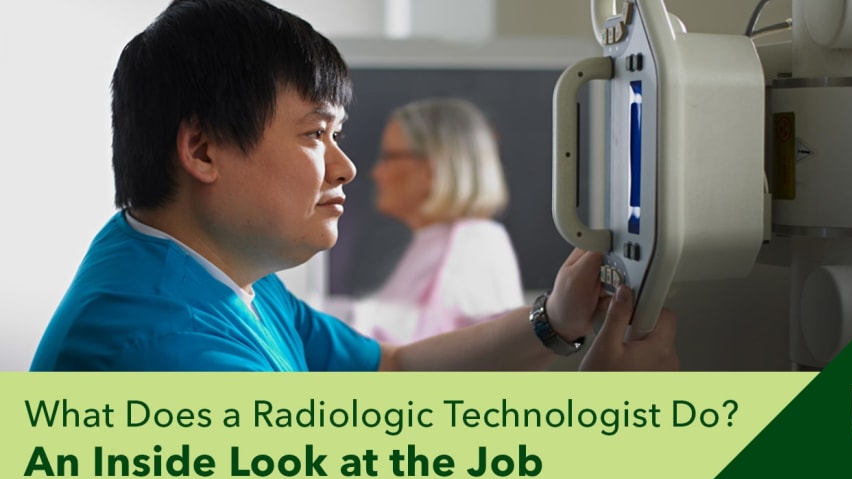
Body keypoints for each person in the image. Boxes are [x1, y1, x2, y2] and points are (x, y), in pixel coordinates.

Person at [29, 0, 678, 372]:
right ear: (202, 149)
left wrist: (552, 322)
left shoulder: (211, 271)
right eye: (314, 135)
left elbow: (388, 374)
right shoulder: (168, 355)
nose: (346, 168)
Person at [346, 98, 524, 344]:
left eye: (388, 157)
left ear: (431, 170)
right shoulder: (443, 241)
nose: (377, 172)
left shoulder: (469, 246)